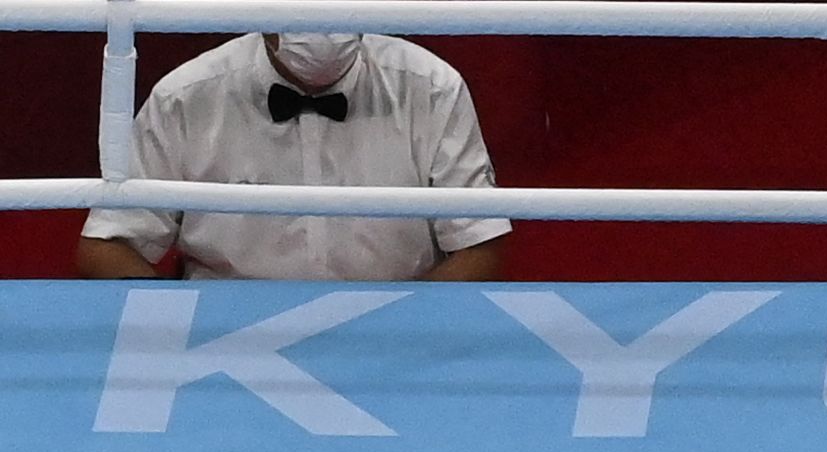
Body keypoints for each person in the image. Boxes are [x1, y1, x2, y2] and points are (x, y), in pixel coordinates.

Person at [77, 32, 511, 282]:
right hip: (225, 344)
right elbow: (107, 248)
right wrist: (185, 335)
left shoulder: (434, 87)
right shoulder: (185, 97)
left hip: (393, 344)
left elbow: (480, 246)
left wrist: (402, 325)